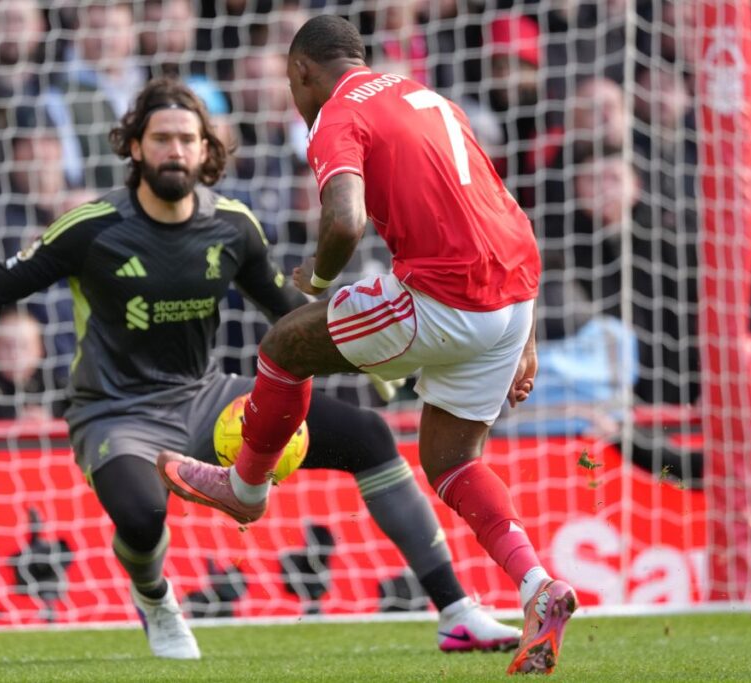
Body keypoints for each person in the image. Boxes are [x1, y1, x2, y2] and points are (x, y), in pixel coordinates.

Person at [0, 78, 519, 660]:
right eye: (160, 137)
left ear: (206, 152)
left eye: (187, 139)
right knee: (140, 515)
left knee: (368, 436)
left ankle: (456, 610)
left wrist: (368, 355)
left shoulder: (233, 224)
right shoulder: (93, 227)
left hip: (208, 397)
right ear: (134, 146)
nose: (174, 150)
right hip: (115, 413)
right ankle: (157, 597)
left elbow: (281, 307)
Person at [157, 16, 577, 675]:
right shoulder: (425, 96)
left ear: (301, 71)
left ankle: (245, 484)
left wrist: (317, 278)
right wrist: (521, 331)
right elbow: (501, 205)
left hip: (445, 297)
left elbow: (346, 220)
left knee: (282, 347)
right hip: (512, 294)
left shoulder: (334, 115)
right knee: (450, 460)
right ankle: (537, 585)